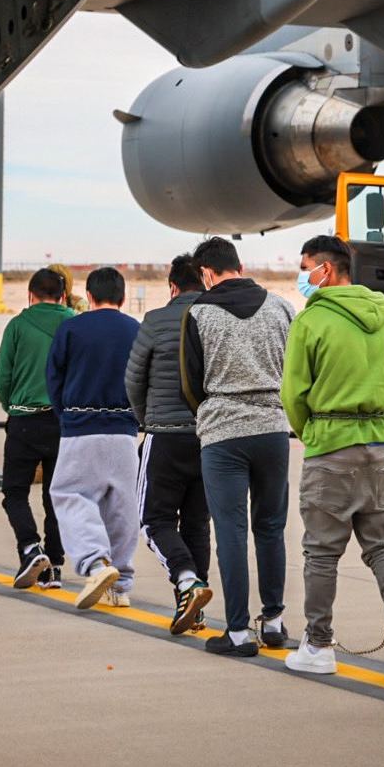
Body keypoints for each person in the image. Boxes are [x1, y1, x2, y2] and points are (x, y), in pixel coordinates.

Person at [280, 234, 384, 680]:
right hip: (380, 443)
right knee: (382, 544)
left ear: (327, 269)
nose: (303, 277)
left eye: (306, 267)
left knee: (321, 552)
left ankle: (318, 644)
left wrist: (311, 431)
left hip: (331, 442)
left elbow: (293, 393)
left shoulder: (311, 319)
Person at [182, 236, 297, 657]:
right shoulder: (282, 307)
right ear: (240, 264)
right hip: (272, 429)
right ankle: (274, 621)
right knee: (270, 527)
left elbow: (190, 382)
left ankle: (236, 632)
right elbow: (296, 369)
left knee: (230, 531)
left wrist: (213, 411)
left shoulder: (199, 313)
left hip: (224, 434)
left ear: (207, 274)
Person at [46, 266, 143, 609]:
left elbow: (54, 380)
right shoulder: (136, 330)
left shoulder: (71, 328)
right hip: (124, 432)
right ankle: (121, 583)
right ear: (123, 296)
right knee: (121, 507)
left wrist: (67, 416)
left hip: (81, 427)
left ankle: (95, 561)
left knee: (69, 493)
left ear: (88, 296)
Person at [127, 254, 214, 634]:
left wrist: (147, 418)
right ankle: (196, 605)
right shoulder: (216, 319)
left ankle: (186, 581)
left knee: (153, 520)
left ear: (173, 287)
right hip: (209, 437)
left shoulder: (155, 320)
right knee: (197, 522)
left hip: (165, 435)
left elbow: (133, 379)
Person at [0, 268, 75, 589]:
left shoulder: (17, 325)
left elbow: (2, 378)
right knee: (55, 496)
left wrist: (12, 406)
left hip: (24, 419)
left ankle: (30, 548)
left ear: (30, 295)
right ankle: (54, 565)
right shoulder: (73, 324)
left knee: (14, 492)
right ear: (63, 295)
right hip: (63, 422)